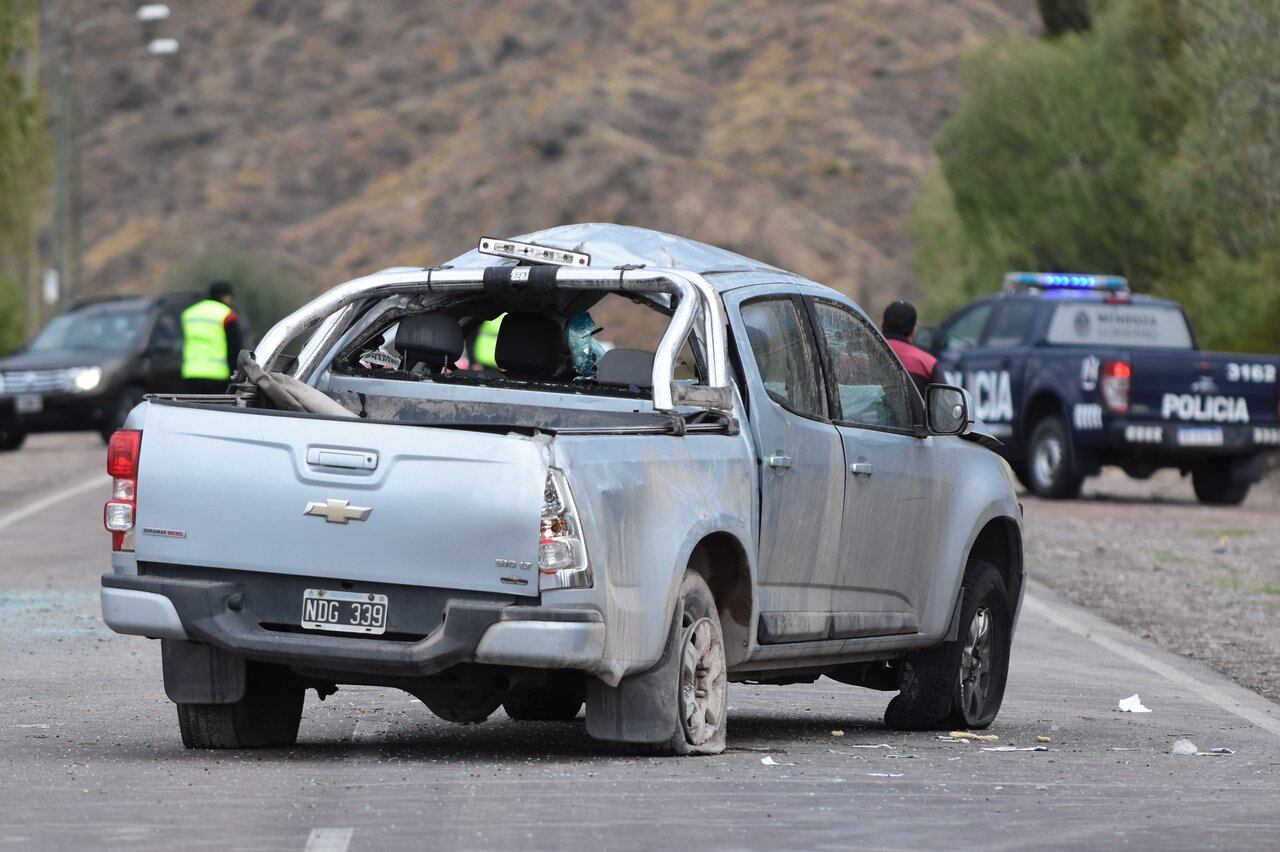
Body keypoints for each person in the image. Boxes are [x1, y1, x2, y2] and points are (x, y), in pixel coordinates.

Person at [181, 281, 243, 393]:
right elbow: (235, 348)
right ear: (226, 296)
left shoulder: (189, 313)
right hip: (218, 376)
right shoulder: (227, 315)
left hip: (191, 374)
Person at [881, 299, 942, 394]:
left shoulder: (866, 354)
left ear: (882, 326)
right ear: (914, 331)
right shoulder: (928, 364)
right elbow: (944, 403)